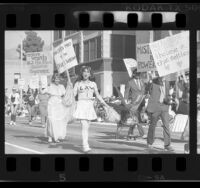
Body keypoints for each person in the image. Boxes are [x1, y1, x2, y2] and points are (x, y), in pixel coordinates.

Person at [73, 66, 110, 153]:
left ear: (90, 74)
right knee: (84, 126)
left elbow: (98, 95)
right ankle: (85, 146)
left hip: (89, 105)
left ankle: (85, 144)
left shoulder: (93, 84)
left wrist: (105, 104)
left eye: (87, 72)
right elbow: (73, 94)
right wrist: (70, 90)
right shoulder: (78, 83)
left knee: (87, 127)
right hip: (81, 104)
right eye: (84, 72)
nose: (86, 73)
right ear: (82, 73)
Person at [146, 74, 174, 151]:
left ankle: (167, 145)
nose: (163, 75)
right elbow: (147, 91)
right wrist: (150, 81)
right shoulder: (154, 82)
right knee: (152, 125)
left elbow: (167, 94)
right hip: (155, 107)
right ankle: (150, 143)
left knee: (166, 125)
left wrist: (169, 99)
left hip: (164, 106)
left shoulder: (167, 82)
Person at [124, 68, 147, 139]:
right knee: (137, 118)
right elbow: (127, 92)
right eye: (137, 74)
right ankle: (142, 133)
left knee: (135, 119)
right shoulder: (130, 82)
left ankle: (130, 133)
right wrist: (125, 100)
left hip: (142, 102)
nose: (138, 75)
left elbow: (143, 91)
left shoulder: (142, 81)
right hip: (134, 103)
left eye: (139, 74)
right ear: (134, 74)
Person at [46, 72, 68, 143]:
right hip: (52, 104)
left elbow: (65, 95)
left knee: (58, 121)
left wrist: (69, 86)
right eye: (56, 79)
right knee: (51, 120)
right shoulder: (50, 86)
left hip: (59, 104)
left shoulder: (61, 86)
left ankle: (56, 136)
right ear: (53, 79)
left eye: (58, 79)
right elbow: (43, 92)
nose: (57, 80)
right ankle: (50, 136)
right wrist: (41, 85)